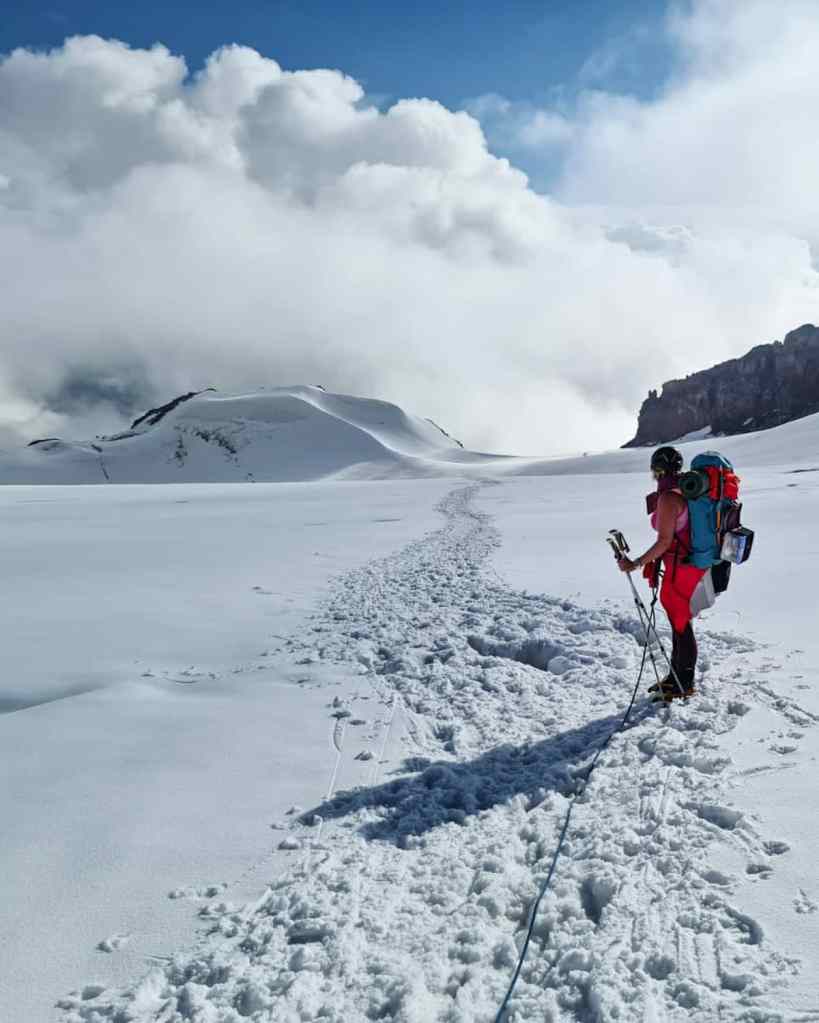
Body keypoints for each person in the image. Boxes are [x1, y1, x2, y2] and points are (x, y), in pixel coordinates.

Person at [618, 445, 707, 699]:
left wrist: (636, 563)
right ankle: (676, 678)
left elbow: (664, 541)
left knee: (680, 625)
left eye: (654, 471)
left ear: (658, 470)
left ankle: (683, 684)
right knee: (679, 622)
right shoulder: (685, 490)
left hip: (681, 568)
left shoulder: (668, 498)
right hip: (686, 564)